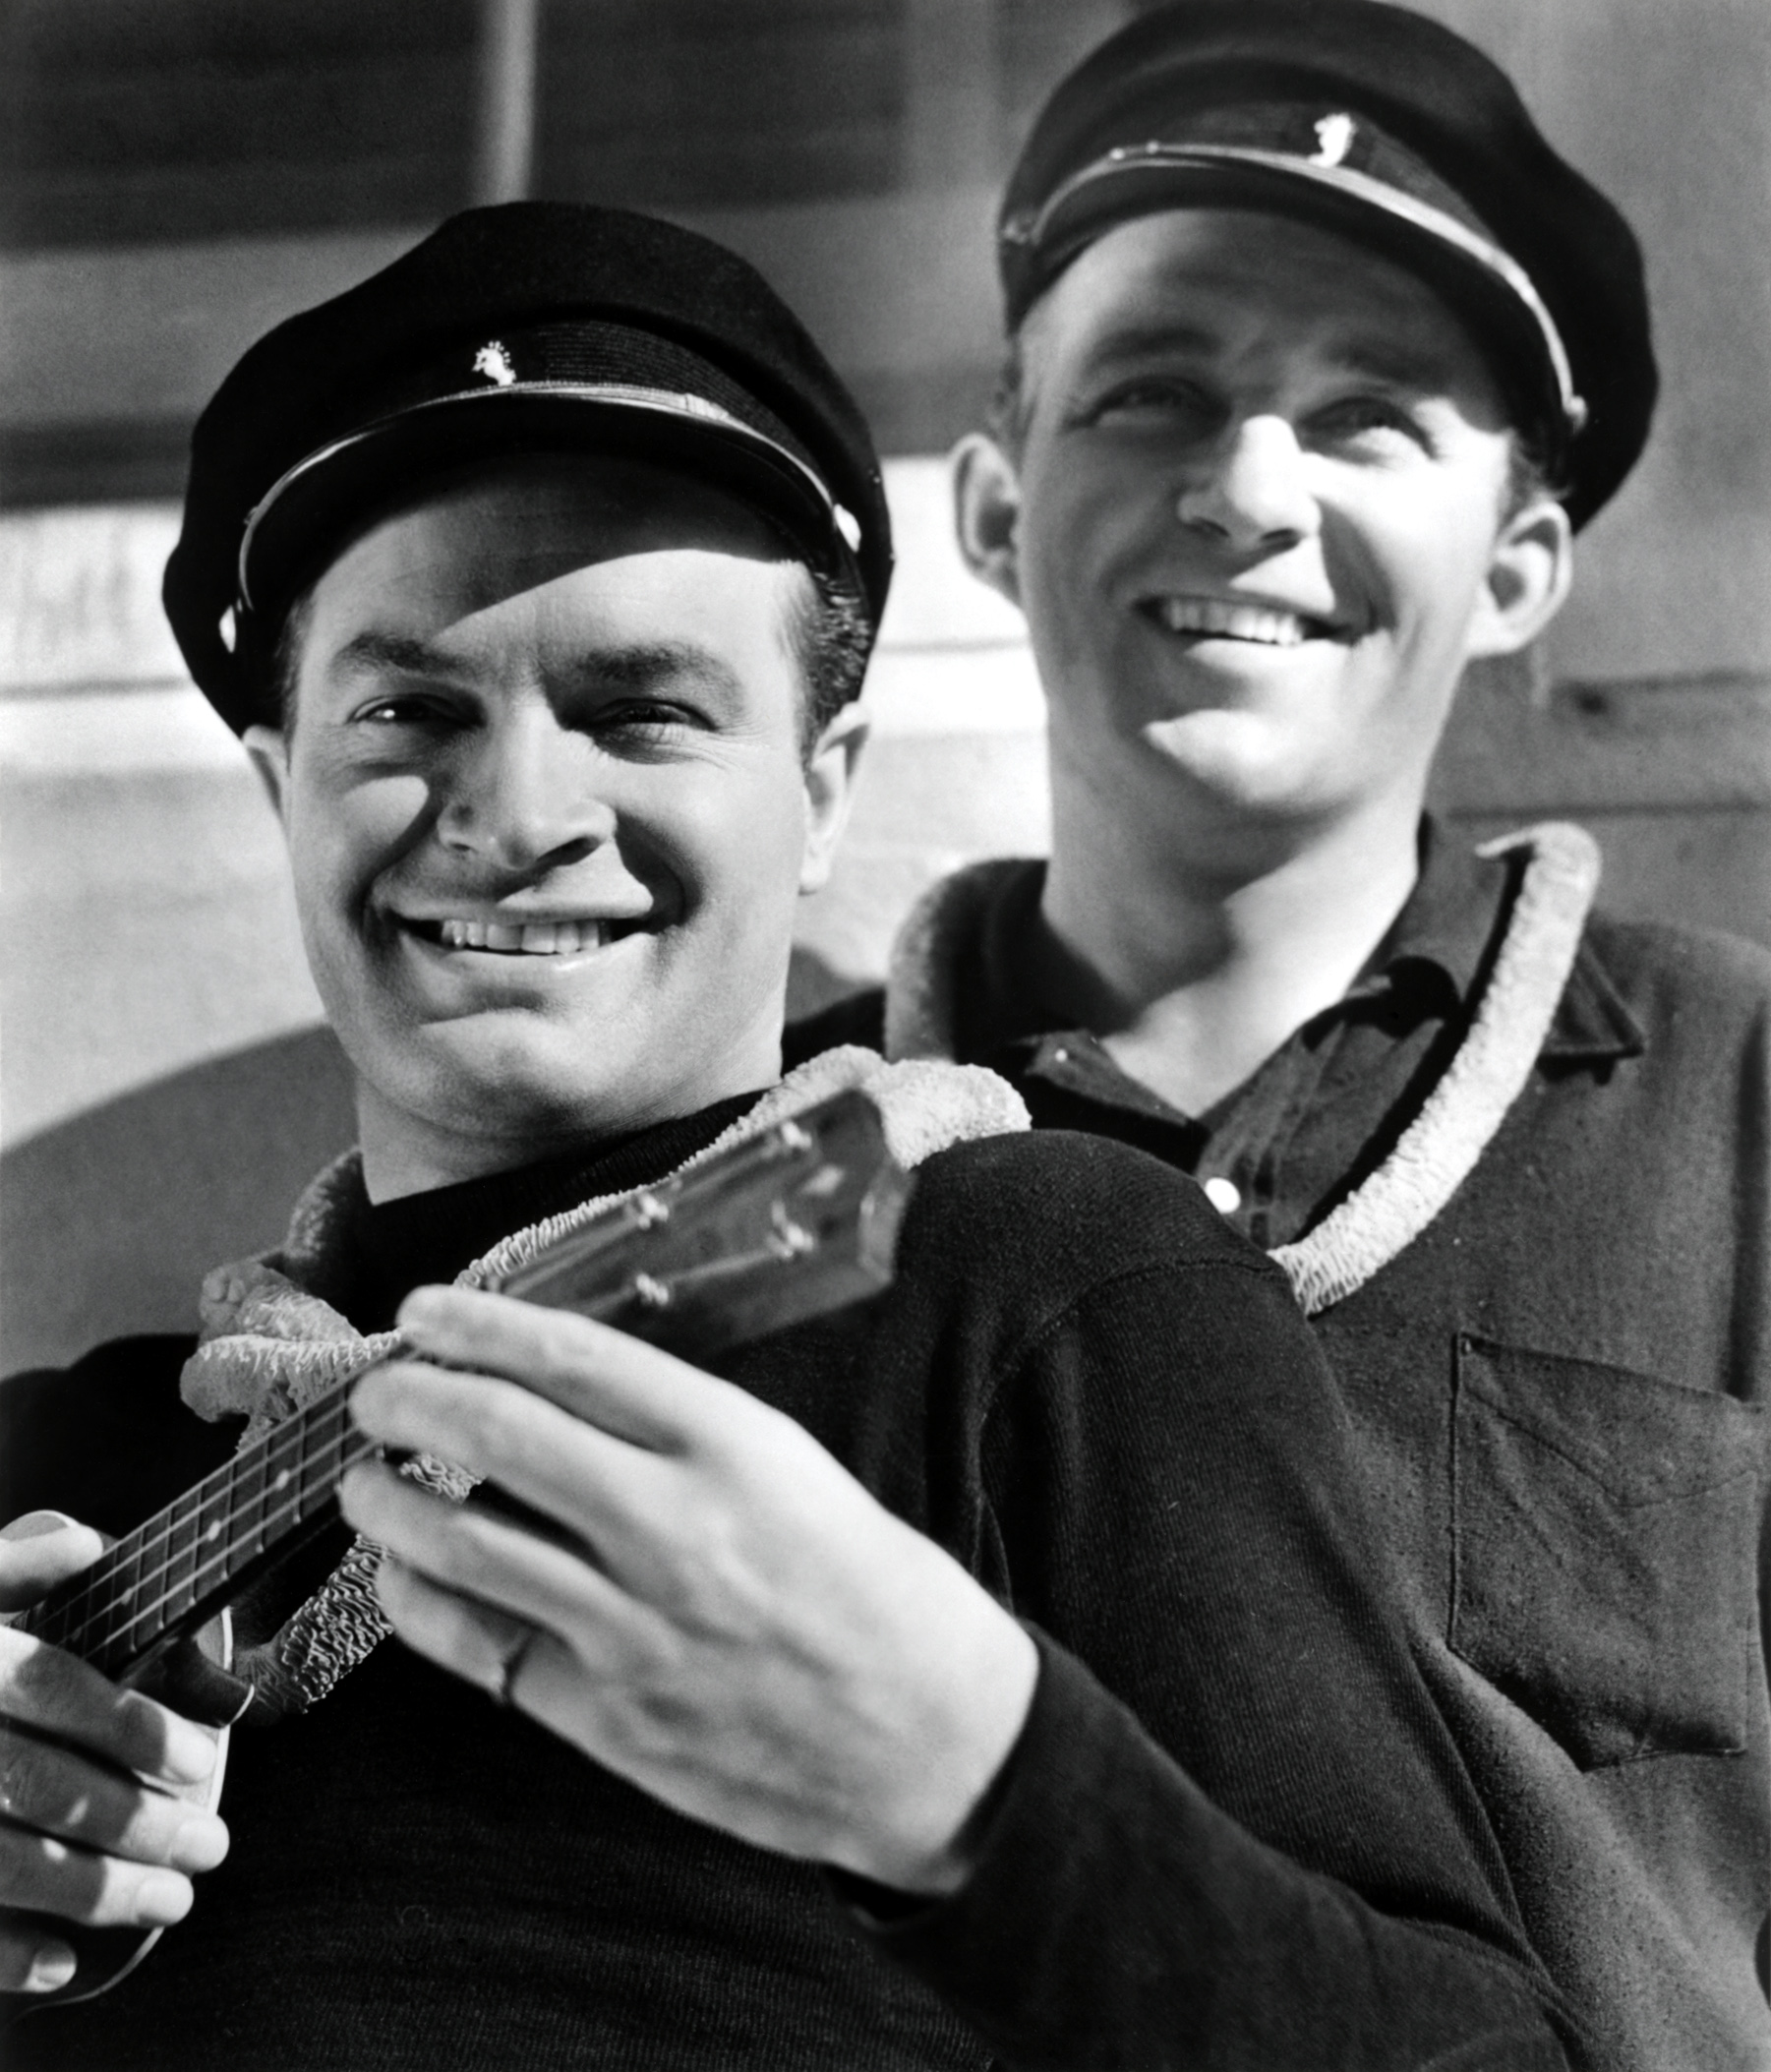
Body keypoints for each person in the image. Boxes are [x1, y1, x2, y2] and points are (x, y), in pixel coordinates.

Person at [0, 204, 1576, 2069]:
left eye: (643, 712)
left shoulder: (1035, 1283)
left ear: (823, 794)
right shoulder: (58, 1462)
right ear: (283, 789)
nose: (516, 813)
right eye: (409, 709)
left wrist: (978, 1796)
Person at [788, 6, 1771, 2069]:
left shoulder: (1741, 1099)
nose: (1245, 490)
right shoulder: (761, 1163)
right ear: (994, 505)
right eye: (1154, 391)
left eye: (1367, 417)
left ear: (1519, 565)